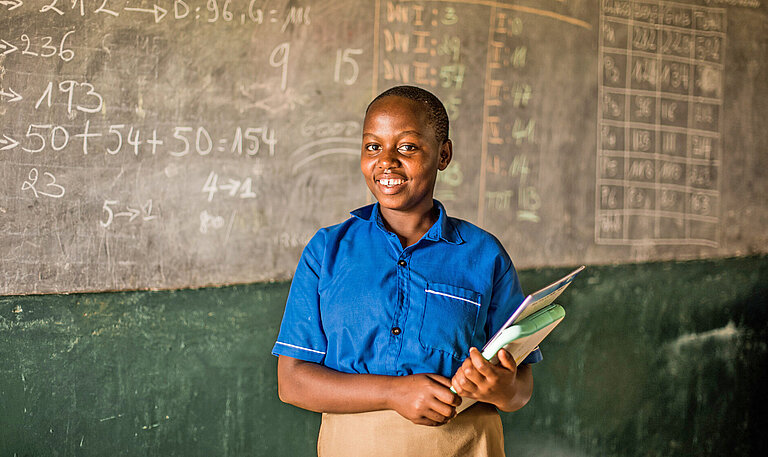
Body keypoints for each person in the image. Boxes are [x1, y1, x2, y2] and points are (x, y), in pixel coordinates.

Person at [272, 85, 540, 457]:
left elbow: (521, 386)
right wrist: (393, 392)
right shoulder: (327, 251)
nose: (386, 161)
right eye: (372, 146)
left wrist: (501, 389)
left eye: (407, 147)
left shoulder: (483, 254)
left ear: (443, 154)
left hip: (463, 444)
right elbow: (293, 383)